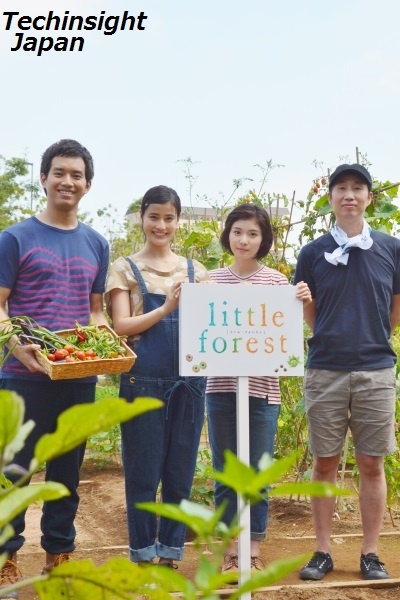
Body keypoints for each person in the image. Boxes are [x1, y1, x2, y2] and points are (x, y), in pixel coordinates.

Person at [0, 139, 109, 585]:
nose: (68, 181)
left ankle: (57, 555)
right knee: (14, 469)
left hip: (76, 373)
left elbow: (95, 310)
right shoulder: (15, 237)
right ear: (43, 178)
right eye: (59, 172)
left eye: (77, 174)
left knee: (67, 468)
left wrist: (104, 343)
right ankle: (6, 559)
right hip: (20, 373)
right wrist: (15, 344)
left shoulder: (96, 243)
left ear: (88, 184)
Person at [294, 163, 400, 581]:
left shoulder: (391, 248)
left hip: (376, 370)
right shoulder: (312, 252)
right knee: (324, 463)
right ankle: (322, 552)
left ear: (369, 198)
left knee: (371, 464)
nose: (350, 195)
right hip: (325, 369)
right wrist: (331, 333)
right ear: (331, 198)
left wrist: (375, 334)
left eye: (358, 188)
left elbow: (396, 305)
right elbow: (309, 310)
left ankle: (370, 553)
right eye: (341, 188)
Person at [106, 185, 210, 568]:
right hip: (141, 382)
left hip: (189, 383)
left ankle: (170, 553)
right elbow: (120, 325)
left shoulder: (197, 272)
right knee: (142, 473)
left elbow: (207, 328)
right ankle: (141, 553)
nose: (161, 225)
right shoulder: (124, 267)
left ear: (178, 221)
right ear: (142, 218)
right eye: (154, 216)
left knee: (180, 471)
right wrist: (167, 307)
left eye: (169, 217)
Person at [205, 203, 311, 575]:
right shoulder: (211, 281)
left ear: (263, 238)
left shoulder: (277, 284)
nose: (244, 239)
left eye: (252, 233)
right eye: (237, 232)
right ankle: (231, 551)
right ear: (227, 235)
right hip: (219, 390)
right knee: (226, 473)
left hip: (264, 393)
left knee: (258, 476)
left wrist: (300, 302)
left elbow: (285, 338)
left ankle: (252, 549)